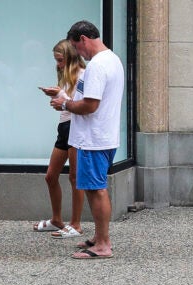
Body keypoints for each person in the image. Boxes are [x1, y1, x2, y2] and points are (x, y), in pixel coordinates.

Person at [50, 20, 124, 259]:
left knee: (96, 189)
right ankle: (99, 237)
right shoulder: (112, 59)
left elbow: (90, 105)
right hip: (102, 135)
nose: (77, 53)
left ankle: (103, 244)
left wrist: (64, 103)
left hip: (94, 137)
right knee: (94, 188)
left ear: (83, 39)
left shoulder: (97, 66)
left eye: (76, 46)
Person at [34, 39, 86, 239]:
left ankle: (76, 224)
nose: (58, 64)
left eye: (61, 60)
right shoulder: (67, 75)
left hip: (75, 125)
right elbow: (66, 101)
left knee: (75, 178)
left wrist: (60, 94)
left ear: (70, 58)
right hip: (64, 127)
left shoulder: (82, 75)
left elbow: (81, 104)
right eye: (56, 60)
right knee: (50, 175)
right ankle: (57, 219)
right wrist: (57, 94)